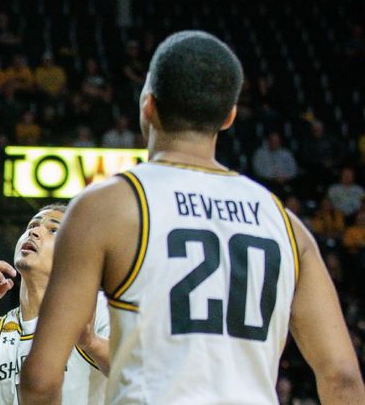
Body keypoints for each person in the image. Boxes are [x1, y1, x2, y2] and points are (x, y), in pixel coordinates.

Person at [19, 30, 365, 405]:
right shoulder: (287, 225)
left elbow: (40, 378)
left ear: (148, 105)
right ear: (229, 116)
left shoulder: (106, 206)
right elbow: (343, 378)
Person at [0, 205, 109, 404]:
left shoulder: (97, 307)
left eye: (53, 230)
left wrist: (91, 342)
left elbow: (137, 371)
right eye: (32, 225)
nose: (34, 232)